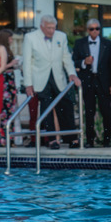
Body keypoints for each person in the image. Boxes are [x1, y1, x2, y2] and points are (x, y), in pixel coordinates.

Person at [22, 15, 81, 149]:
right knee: (46, 108)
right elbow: (27, 63)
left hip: (58, 77)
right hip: (40, 78)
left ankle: (71, 138)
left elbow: (66, 57)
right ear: (42, 26)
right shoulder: (30, 38)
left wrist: (72, 73)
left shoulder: (61, 36)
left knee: (66, 105)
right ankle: (52, 140)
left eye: (53, 28)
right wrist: (28, 84)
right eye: (48, 28)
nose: (51, 31)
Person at [74, 18, 111, 147]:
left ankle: (107, 140)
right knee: (89, 112)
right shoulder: (79, 43)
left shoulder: (107, 43)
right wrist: (83, 62)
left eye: (97, 28)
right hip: (88, 81)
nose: (95, 31)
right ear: (87, 30)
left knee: (106, 112)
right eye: (92, 29)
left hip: (103, 82)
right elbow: (73, 61)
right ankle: (90, 141)